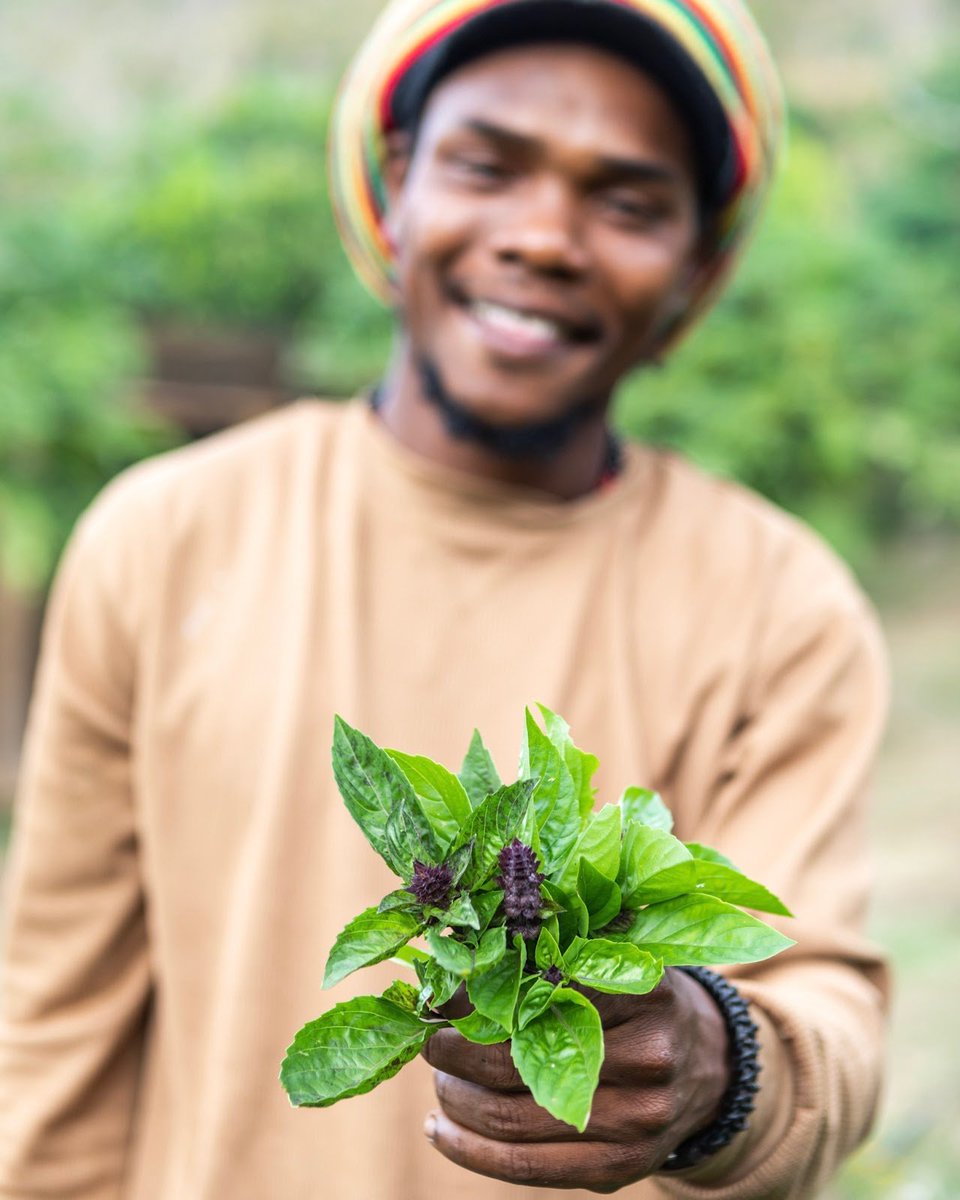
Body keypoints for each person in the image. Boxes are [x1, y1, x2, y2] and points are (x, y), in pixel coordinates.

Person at [0, 0, 890, 1196]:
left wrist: (719, 1063)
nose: (545, 236)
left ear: (694, 270)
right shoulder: (165, 539)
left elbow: (825, 1016)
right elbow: (52, 1026)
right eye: (488, 165)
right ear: (398, 188)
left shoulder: (782, 607)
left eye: (627, 201)